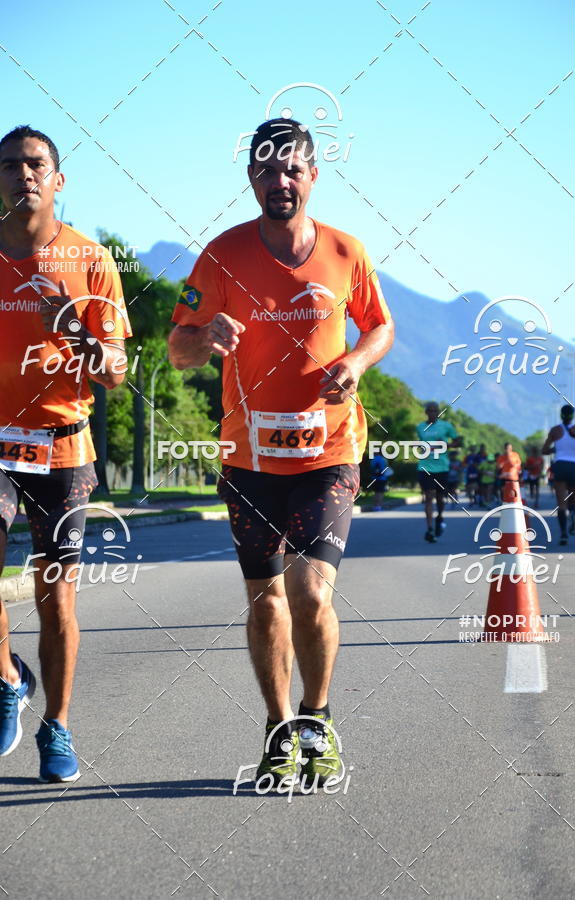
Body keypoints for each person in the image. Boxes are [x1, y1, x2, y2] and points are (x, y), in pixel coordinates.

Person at [168, 118, 394, 787]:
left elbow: (380, 325)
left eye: (293, 168)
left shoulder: (347, 252)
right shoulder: (218, 257)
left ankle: (317, 720)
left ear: (314, 176)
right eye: (267, 169)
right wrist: (204, 334)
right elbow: (177, 350)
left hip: (329, 450)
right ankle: (277, 729)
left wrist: (356, 360)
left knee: (310, 592)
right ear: (252, 179)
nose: (281, 181)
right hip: (249, 460)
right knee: (266, 602)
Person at [0, 126, 131, 780]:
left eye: (36, 164)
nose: (23, 174)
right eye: (11, 165)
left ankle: (57, 727)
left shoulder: (90, 258)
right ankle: (6, 680)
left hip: (60, 447)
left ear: (58, 180)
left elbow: (115, 370)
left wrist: (75, 328)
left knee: (56, 599)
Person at [542, 405, 575, 545]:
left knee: (561, 503)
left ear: (561, 415)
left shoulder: (555, 430)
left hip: (560, 464)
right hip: (574, 465)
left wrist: (554, 449)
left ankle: (563, 534)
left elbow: (544, 450)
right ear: (573, 416)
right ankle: (574, 513)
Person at [415, 403, 461, 542]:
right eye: (430, 410)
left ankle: (439, 517)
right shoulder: (420, 427)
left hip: (442, 467)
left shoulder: (446, 426)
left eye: (436, 411)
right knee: (429, 497)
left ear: (439, 413)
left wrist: (448, 445)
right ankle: (429, 528)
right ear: (426, 412)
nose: (433, 413)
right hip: (425, 466)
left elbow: (458, 441)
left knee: (440, 498)